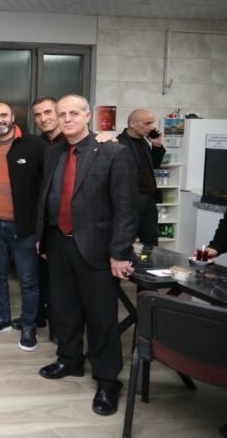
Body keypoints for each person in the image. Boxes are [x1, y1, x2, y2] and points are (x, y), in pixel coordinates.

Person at [36, 94, 137, 417]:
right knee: (64, 308)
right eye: (62, 114)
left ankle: (107, 381)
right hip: (58, 242)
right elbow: (47, 197)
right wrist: (42, 239)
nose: (67, 119)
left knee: (101, 316)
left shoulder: (112, 152)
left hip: (96, 248)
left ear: (88, 116)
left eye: (73, 113)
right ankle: (69, 359)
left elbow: (125, 208)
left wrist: (119, 253)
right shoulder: (53, 153)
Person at [0, 102, 46, 352]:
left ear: (13, 117)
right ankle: (3, 318)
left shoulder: (34, 145)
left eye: (3, 115)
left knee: (27, 279)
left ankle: (28, 325)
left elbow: (47, 185)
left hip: (23, 226)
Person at [117, 109, 165, 246]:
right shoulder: (119, 144)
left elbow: (153, 165)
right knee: (126, 240)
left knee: (150, 240)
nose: (152, 127)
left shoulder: (144, 141)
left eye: (152, 123)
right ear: (133, 124)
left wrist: (157, 144)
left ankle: (147, 260)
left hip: (148, 199)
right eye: (147, 123)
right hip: (131, 200)